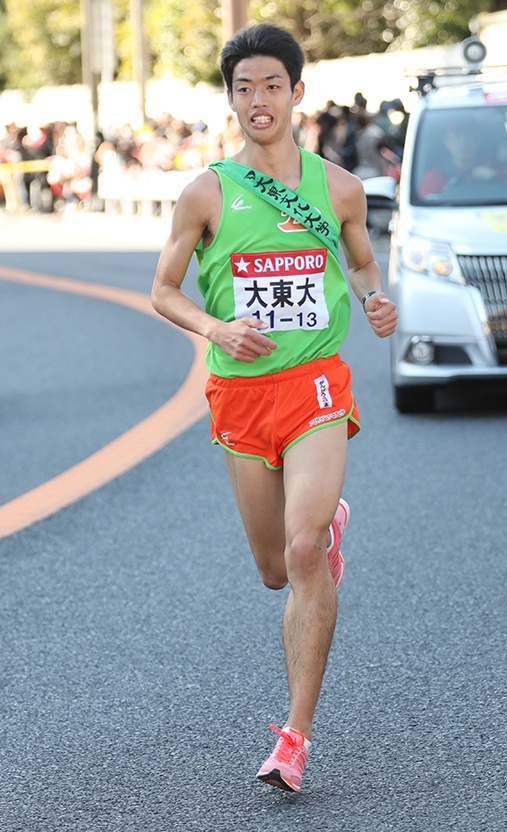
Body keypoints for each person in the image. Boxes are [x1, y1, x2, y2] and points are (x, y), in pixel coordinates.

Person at [151, 22, 397, 794]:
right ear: (230, 98)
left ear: (297, 91)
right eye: (243, 87)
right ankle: (320, 531)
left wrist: (376, 300)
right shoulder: (206, 192)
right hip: (241, 395)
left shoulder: (340, 188)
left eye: (271, 85)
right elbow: (162, 291)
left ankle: (294, 739)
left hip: (316, 386)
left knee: (302, 551)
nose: (258, 100)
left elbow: (361, 264)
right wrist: (216, 325)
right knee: (271, 571)